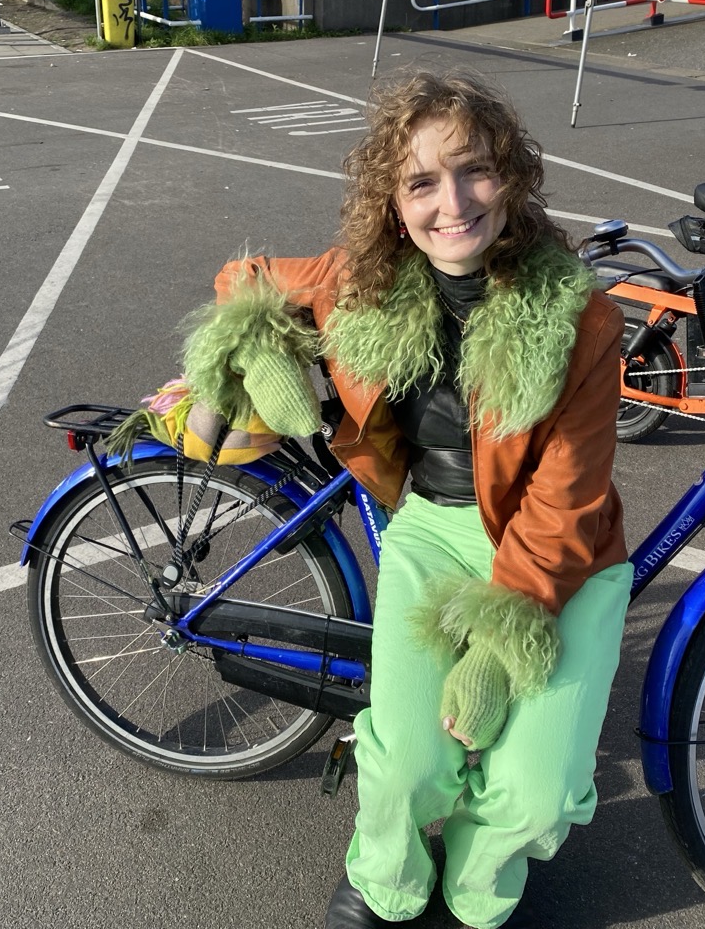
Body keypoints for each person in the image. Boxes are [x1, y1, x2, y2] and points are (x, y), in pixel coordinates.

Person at [177, 70, 631, 929]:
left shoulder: (579, 318)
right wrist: (261, 347)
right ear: (392, 199)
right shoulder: (364, 281)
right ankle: (385, 881)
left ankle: (477, 891)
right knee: (411, 764)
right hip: (430, 529)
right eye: (422, 181)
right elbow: (245, 278)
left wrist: (498, 649)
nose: (451, 204)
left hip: (560, 556)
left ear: (512, 176)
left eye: (474, 170)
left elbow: (568, 499)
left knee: (535, 795)